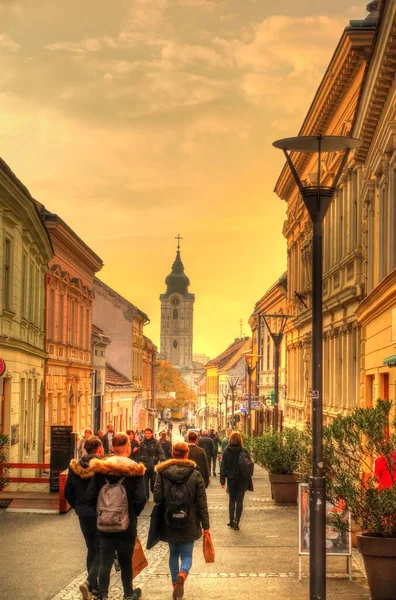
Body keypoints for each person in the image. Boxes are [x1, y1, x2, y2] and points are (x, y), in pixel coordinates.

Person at [86, 432, 146, 600]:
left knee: (105, 560)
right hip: (126, 524)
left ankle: (103, 595)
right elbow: (141, 498)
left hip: (104, 523)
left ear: (112, 448)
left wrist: (101, 512)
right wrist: (133, 513)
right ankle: (128, 594)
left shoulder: (101, 467)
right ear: (128, 448)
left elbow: (90, 496)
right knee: (126, 560)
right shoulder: (135, 469)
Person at [154, 442, 210, 600]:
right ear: (187, 455)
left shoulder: (162, 472)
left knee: (173, 553)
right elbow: (201, 503)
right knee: (187, 555)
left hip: (169, 520)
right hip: (189, 520)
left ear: (172, 453)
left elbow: (157, 497)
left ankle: (174, 584)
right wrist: (206, 526)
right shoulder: (195, 474)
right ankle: (183, 574)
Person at [65, 436, 104, 600]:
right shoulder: (102, 466)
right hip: (100, 512)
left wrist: (78, 506)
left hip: (83, 513)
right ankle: (90, 584)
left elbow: (68, 491)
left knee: (91, 548)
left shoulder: (75, 466)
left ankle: (92, 586)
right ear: (99, 449)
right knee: (102, 549)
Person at [220, 431, 253, 531]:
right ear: (240, 439)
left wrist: (222, 480)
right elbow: (249, 465)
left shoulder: (226, 451)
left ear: (230, 439)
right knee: (240, 501)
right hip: (242, 479)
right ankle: (237, 521)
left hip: (231, 479)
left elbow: (223, 466)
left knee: (232, 500)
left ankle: (231, 521)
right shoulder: (244, 451)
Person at [138, 428, 165, 500]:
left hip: (154, 466)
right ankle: (146, 498)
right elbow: (139, 454)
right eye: (146, 433)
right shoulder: (142, 443)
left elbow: (161, 452)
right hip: (144, 466)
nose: (147, 435)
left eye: (149, 433)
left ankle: (156, 497)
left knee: (154, 484)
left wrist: (162, 462)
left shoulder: (157, 442)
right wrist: (140, 461)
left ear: (152, 434)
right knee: (144, 484)